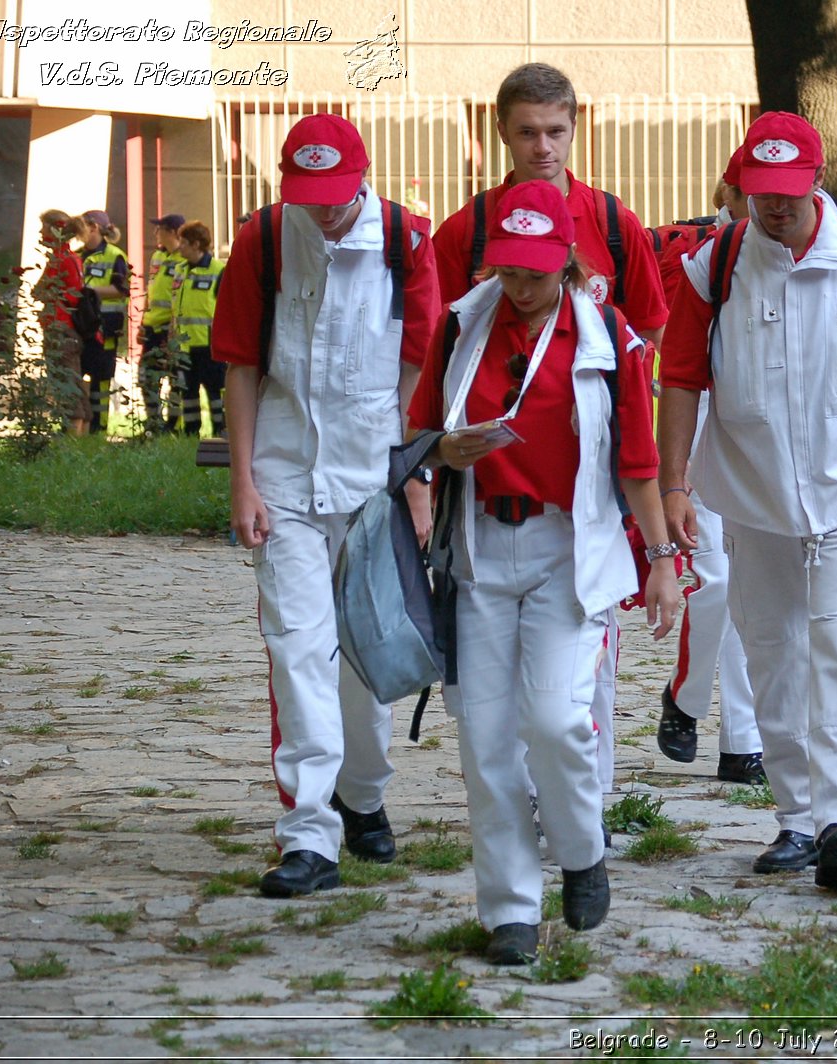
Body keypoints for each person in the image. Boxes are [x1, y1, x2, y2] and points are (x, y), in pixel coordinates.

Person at [658, 111, 837, 891]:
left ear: (818, 181)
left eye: (787, 191)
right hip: (752, 497)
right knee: (772, 655)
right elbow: (681, 380)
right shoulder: (711, 269)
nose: (774, 207)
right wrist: (675, 485)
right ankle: (795, 818)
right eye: (758, 192)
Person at [407, 179, 679, 964]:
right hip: (482, 549)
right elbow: (421, 430)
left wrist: (660, 560)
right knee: (488, 742)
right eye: (507, 272)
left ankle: (582, 848)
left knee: (558, 720)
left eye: (534, 272)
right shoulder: (463, 326)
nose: (519, 288)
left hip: (569, 550)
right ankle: (511, 911)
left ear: (566, 261)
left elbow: (637, 461)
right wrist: (442, 453)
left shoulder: (608, 337)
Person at [214, 113, 441, 898]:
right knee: (298, 648)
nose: (327, 210)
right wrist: (242, 479)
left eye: (338, 196)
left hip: (372, 480)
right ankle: (309, 834)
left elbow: (422, 375)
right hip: (283, 476)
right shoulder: (266, 240)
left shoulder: (408, 242)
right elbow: (242, 366)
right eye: (311, 197)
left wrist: (416, 486)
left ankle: (363, 795)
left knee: (366, 657)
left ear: (364, 176)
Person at [433, 61, 671, 797]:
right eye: (528, 132)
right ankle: (517, 802)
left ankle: (584, 806)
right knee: (494, 677)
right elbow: (436, 343)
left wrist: (605, 414)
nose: (543, 147)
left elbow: (648, 334)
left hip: (589, 484)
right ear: (501, 132)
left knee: (584, 662)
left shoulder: (610, 224)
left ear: (576, 128)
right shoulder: (467, 231)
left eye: (556, 131)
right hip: (488, 493)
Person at [655, 145, 765, 786]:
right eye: (747, 193)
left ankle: (739, 738)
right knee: (718, 579)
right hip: (695, 427)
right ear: (727, 195)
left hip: (758, 434)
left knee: (752, 587)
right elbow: (662, 344)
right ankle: (692, 698)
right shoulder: (690, 253)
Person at [34, 210, 88, 434]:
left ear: (56, 230)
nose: (40, 232)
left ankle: (73, 435)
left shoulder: (64, 260)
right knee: (68, 380)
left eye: (44, 227)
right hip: (58, 328)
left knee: (66, 381)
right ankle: (79, 432)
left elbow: (71, 295)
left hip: (62, 330)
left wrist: (46, 294)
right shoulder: (62, 258)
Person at [171, 221, 227, 436]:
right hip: (183, 345)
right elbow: (176, 306)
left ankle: (220, 432)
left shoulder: (218, 270)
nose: (179, 247)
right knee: (188, 392)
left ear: (196, 245)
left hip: (209, 345)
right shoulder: (180, 270)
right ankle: (190, 433)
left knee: (215, 392)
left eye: (183, 243)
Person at [77, 210, 128, 433]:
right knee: (77, 373)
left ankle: (100, 424)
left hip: (106, 326)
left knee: (102, 376)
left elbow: (120, 290)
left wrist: (87, 291)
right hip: (80, 326)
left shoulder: (115, 256)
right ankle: (81, 422)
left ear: (94, 227)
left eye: (82, 227)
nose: (78, 233)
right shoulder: (77, 255)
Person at [139, 214, 187, 432]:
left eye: (159, 230)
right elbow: (152, 290)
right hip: (151, 325)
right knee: (146, 376)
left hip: (169, 327)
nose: (155, 234)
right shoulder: (158, 256)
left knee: (174, 377)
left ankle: (173, 424)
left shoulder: (183, 260)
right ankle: (153, 421)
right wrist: (142, 321)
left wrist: (174, 329)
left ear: (172, 232)